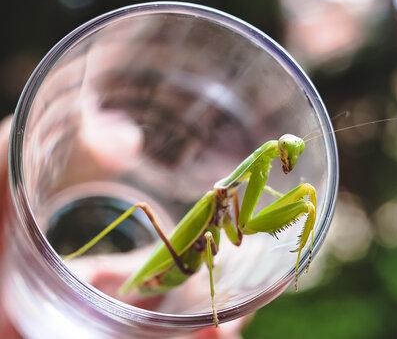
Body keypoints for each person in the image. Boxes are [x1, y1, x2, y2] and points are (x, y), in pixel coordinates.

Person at [0, 116, 249, 339]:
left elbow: (239, 241)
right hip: (37, 305)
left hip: (79, 318)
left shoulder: (230, 197)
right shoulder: (221, 197)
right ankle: (74, 257)